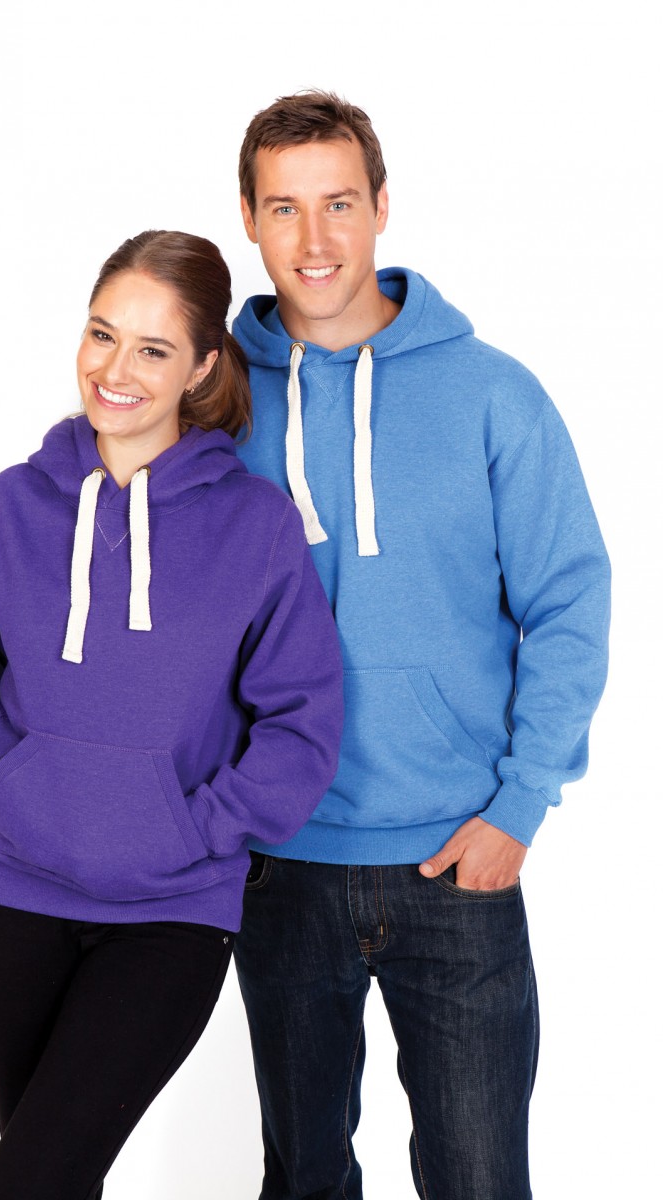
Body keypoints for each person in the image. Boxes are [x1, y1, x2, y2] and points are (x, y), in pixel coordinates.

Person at [231, 91, 610, 1200]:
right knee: (302, 1179)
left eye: (339, 203)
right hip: (279, 864)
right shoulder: (216, 401)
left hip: (459, 856)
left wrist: (521, 803)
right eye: (284, 208)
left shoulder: (492, 394)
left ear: (382, 206)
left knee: (479, 1180)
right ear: (249, 219)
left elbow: (568, 601)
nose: (315, 238)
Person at [0, 229, 343, 1200]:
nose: (115, 371)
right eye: (102, 334)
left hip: (170, 912)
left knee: (27, 1182)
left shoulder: (254, 525)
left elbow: (301, 722)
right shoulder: (11, 506)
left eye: (153, 349)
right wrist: (15, 777)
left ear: (201, 367)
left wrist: (196, 826)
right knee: (54, 1179)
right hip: (18, 898)